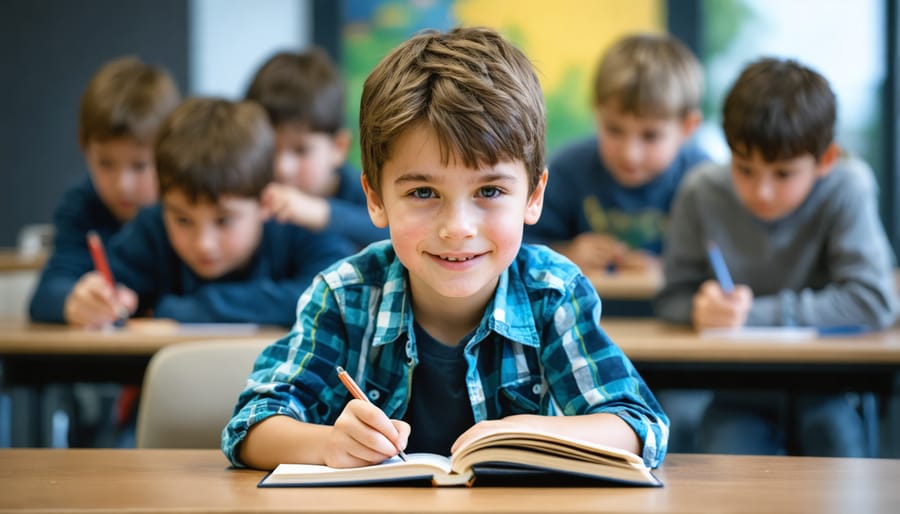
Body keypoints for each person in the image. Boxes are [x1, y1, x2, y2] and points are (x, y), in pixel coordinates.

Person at [223, 27, 669, 471]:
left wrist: (532, 434)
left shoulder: (553, 294)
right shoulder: (344, 296)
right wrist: (327, 445)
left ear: (534, 196)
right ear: (375, 198)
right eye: (423, 193)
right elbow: (251, 425)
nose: (457, 229)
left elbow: (640, 425)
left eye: (489, 191)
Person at [655, 57, 899, 456]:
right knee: (726, 457)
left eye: (783, 174)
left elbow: (873, 301)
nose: (761, 191)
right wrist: (699, 309)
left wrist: (750, 315)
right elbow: (671, 299)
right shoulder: (700, 191)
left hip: (828, 383)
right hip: (737, 387)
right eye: (744, 168)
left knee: (838, 450)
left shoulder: (848, 187)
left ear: (826, 160)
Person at [64, 97, 355, 329]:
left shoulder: (296, 227)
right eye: (182, 220)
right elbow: (72, 291)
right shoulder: (151, 228)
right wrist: (89, 301)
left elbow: (334, 295)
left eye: (224, 220)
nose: (204, 244)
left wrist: (182, 309)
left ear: (265, 201)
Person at [525, 33, 709, 298]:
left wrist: (671, 271)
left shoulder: (703, 181)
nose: (630, 154)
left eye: (650, 136)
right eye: (614, 129)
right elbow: (519, 247)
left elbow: (726, 264)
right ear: (596, 111)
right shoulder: (567, 170)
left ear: (688, 127)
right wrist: (565, 255)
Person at [29, 56, 180, 324]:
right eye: (106, 163)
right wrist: (76, 301)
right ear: (83, 145)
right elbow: (48, 293)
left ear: (169, 151)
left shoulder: (187, 207)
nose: (123, 185)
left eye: (140, 166)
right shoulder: (82, 205)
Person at [245, 47, 388, 248]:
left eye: (301, 150)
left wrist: (321, 213)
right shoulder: (251, 195)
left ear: (339, 147)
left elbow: (392, 231)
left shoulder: (365, 191)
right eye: (269, 148)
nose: (282, 167)